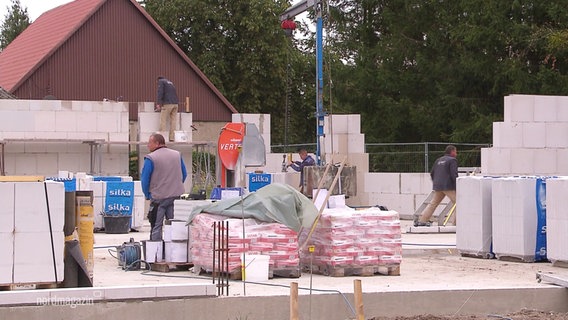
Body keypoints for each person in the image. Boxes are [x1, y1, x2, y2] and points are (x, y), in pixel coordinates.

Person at [141, 133, 188, 240]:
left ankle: (156, 252)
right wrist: (176, 186)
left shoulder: (151, 158)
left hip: (158, 198)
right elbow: (184, 174)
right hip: (175, 197)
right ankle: (171, 251)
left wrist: (148, 194)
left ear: (157, 143)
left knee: (156, 226)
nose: (148, 145)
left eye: (149, 143)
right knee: (173, 226)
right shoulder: (177, 155)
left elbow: (145, 180)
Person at [415, 145, 458, 227]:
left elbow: (432, 173)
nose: (456, 153)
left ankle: (423, 220)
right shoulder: (452, 160)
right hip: (448, 186)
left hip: (438, 186)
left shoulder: (438, 160)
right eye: (455, 151)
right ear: (452, 151)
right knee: (458, 203)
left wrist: (436, 182)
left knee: (433, 203)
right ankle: (456, 224)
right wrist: (457, 185)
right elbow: (454, 174)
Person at [155, 76, 179, 142]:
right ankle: (172, 138)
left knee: (163, 119)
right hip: (175, 104)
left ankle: (162, 138)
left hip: (168, 103)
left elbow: (160, 92)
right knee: (173, 121)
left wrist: (158, 103)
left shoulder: (161, 82)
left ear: (158, 80)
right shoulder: (170, 82)